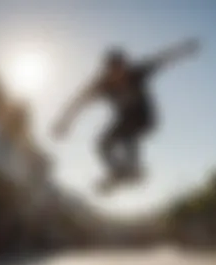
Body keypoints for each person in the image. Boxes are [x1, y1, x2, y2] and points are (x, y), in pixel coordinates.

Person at [52, 38, 201, 192]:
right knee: (102, 143)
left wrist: (184, 49)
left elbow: (162, 59)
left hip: (145, 118)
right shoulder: (101, 85)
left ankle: (134, 167)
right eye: (115, 73)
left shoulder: (137, 73)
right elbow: (78, 102)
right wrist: (64, 122)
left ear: (125, 66)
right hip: (123, 120)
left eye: (123, 71)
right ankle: (117, 172)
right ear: (108, 71)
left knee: (128, 131)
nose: (120, 77)